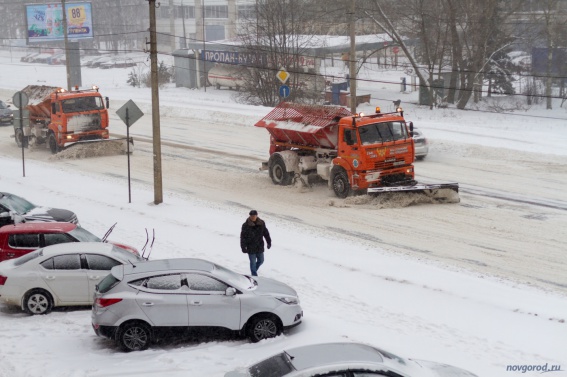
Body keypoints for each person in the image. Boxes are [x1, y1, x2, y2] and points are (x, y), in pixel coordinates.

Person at [240, 210, 271, 276]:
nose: (253, 217)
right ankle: (254, 275)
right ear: (250, 216)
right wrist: (243, 247)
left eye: (254, 216)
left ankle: (253, 271)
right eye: (251, 216)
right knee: (253, 262)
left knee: (261, 261)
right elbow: (243, 237)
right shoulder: (245, 225)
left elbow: (266, 233)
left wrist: (269, 242)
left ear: (257, 215)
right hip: (250, 247)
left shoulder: (262, 223)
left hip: (259, 246)